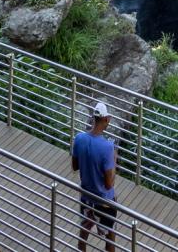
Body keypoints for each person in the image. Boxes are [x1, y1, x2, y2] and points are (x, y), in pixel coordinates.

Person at [72, 102, 118, 252]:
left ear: (93, 118)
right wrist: (114, 160)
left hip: (86, 196)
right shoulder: (107, 147)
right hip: (104, 201)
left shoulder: (79, 138)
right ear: (106, 119)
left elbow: (75, 166)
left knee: (83, 234)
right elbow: (109, 184)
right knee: (110, 238)